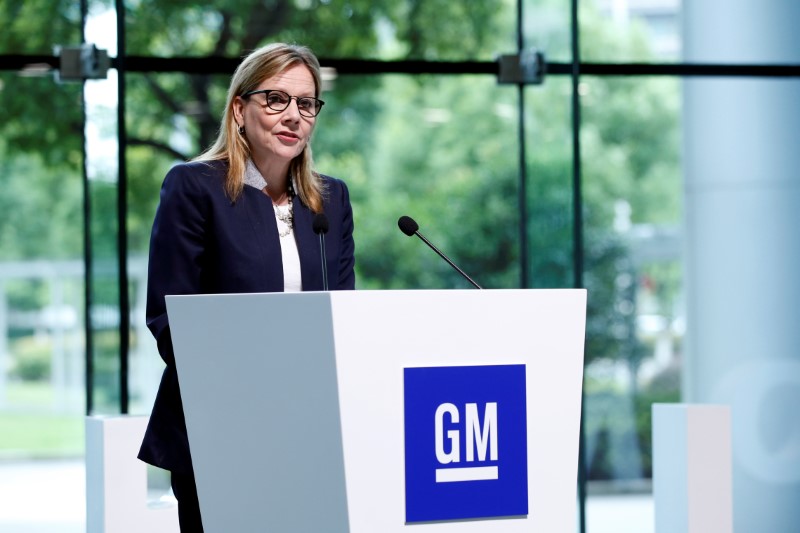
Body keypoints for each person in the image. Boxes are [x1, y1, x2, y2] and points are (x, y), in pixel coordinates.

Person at [138, 42, 356, 532]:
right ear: (240, 108)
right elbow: (169, 319)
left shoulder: (331, 199)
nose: (293, 115)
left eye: (306, 103)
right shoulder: (194, 188)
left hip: (309, 431)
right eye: (275, 99)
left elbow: (344, 318)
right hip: (219, 428)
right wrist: (251, 390)